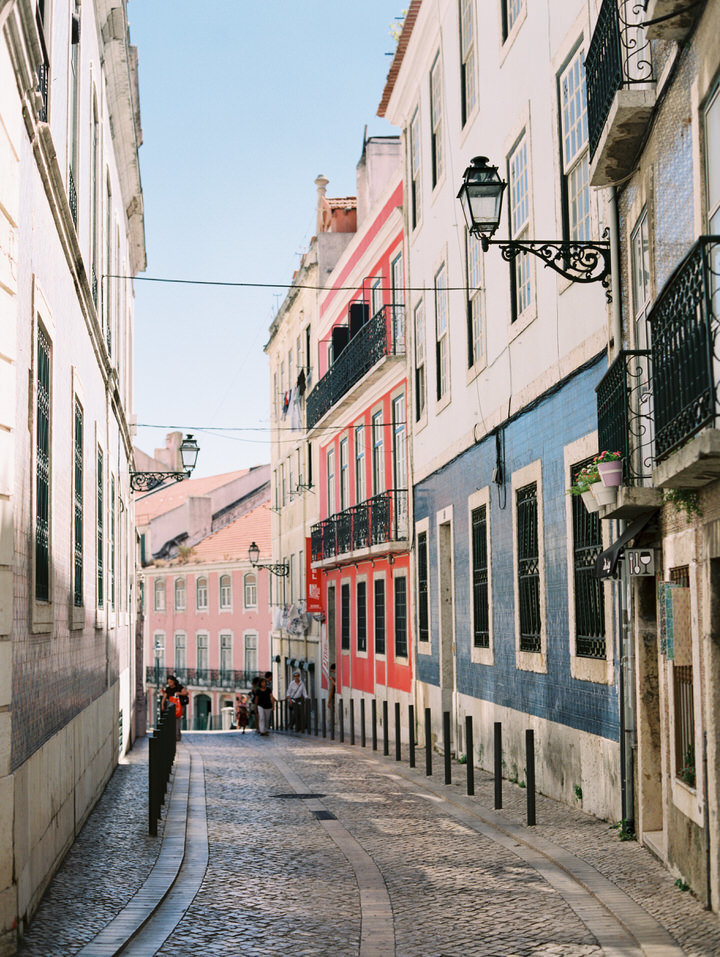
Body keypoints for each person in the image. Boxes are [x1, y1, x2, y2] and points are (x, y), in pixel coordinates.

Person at [161, 674, 188, 741]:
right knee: (171, 721)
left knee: (177, 721)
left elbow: (186, 693)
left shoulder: (179, 687)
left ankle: (177, 736)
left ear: (174, 681)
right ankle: (172, 735)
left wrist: (179, 693)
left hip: (179, 706)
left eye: (170, 682)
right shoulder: (168, 689)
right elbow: (164, 696)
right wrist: (162, 705)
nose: (169, 683)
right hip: (171, 707)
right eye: (168, 682)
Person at [327, 663, 336, 734]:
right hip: (333, 698)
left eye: (333, 671)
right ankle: (331, 726)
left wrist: (332, 680)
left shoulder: (338, 675)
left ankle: (333, 725)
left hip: (335, 698)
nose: (333, 672)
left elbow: (337, 685)